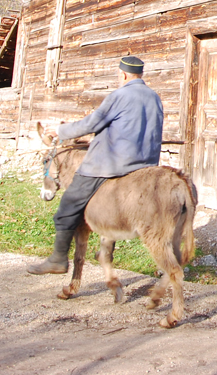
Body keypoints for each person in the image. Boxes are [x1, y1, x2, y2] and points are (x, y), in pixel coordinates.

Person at [27, 54, 164, 275]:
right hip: (144, 165)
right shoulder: (154, 97)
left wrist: (60, 131)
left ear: (122, 74)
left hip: (111, 164)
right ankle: (104, 250)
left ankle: (58, 259)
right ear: (141, 74)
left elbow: (92, 123)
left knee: (67, 205)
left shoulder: (120, 95)